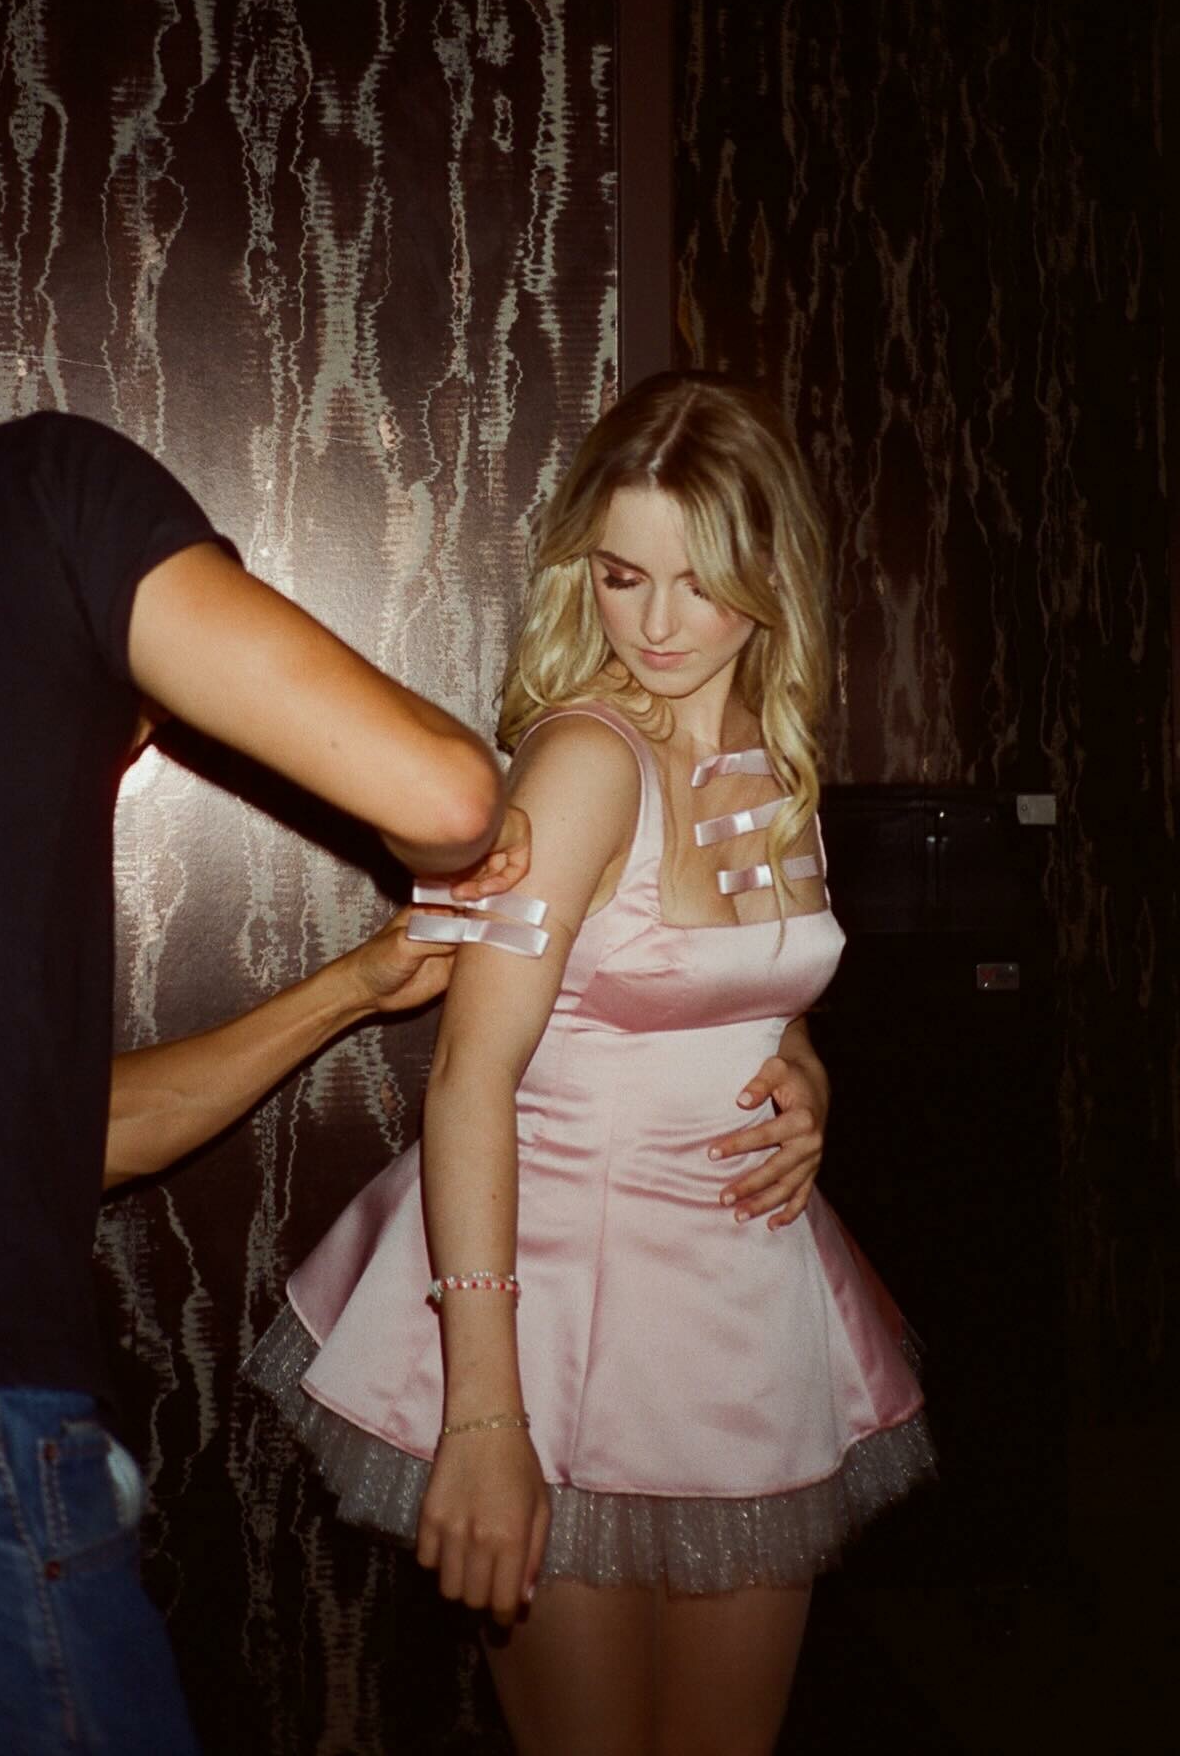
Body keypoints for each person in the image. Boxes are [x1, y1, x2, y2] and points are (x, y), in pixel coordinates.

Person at [0, 410, 528, 1754]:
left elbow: (83, 1138)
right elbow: (448, 796)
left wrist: (353, 986)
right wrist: (486, 837)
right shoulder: (55, 488)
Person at [246, 373, 935, 1756]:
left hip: (741, 1311)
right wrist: (485, 1417)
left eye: (701, 581)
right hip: (559, 1306)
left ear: (771, 577)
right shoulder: (584, 762)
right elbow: (469, 1078)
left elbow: (741, 984)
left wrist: (804, 1069)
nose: (659, 625)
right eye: (625, 578)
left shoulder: (775, 759)